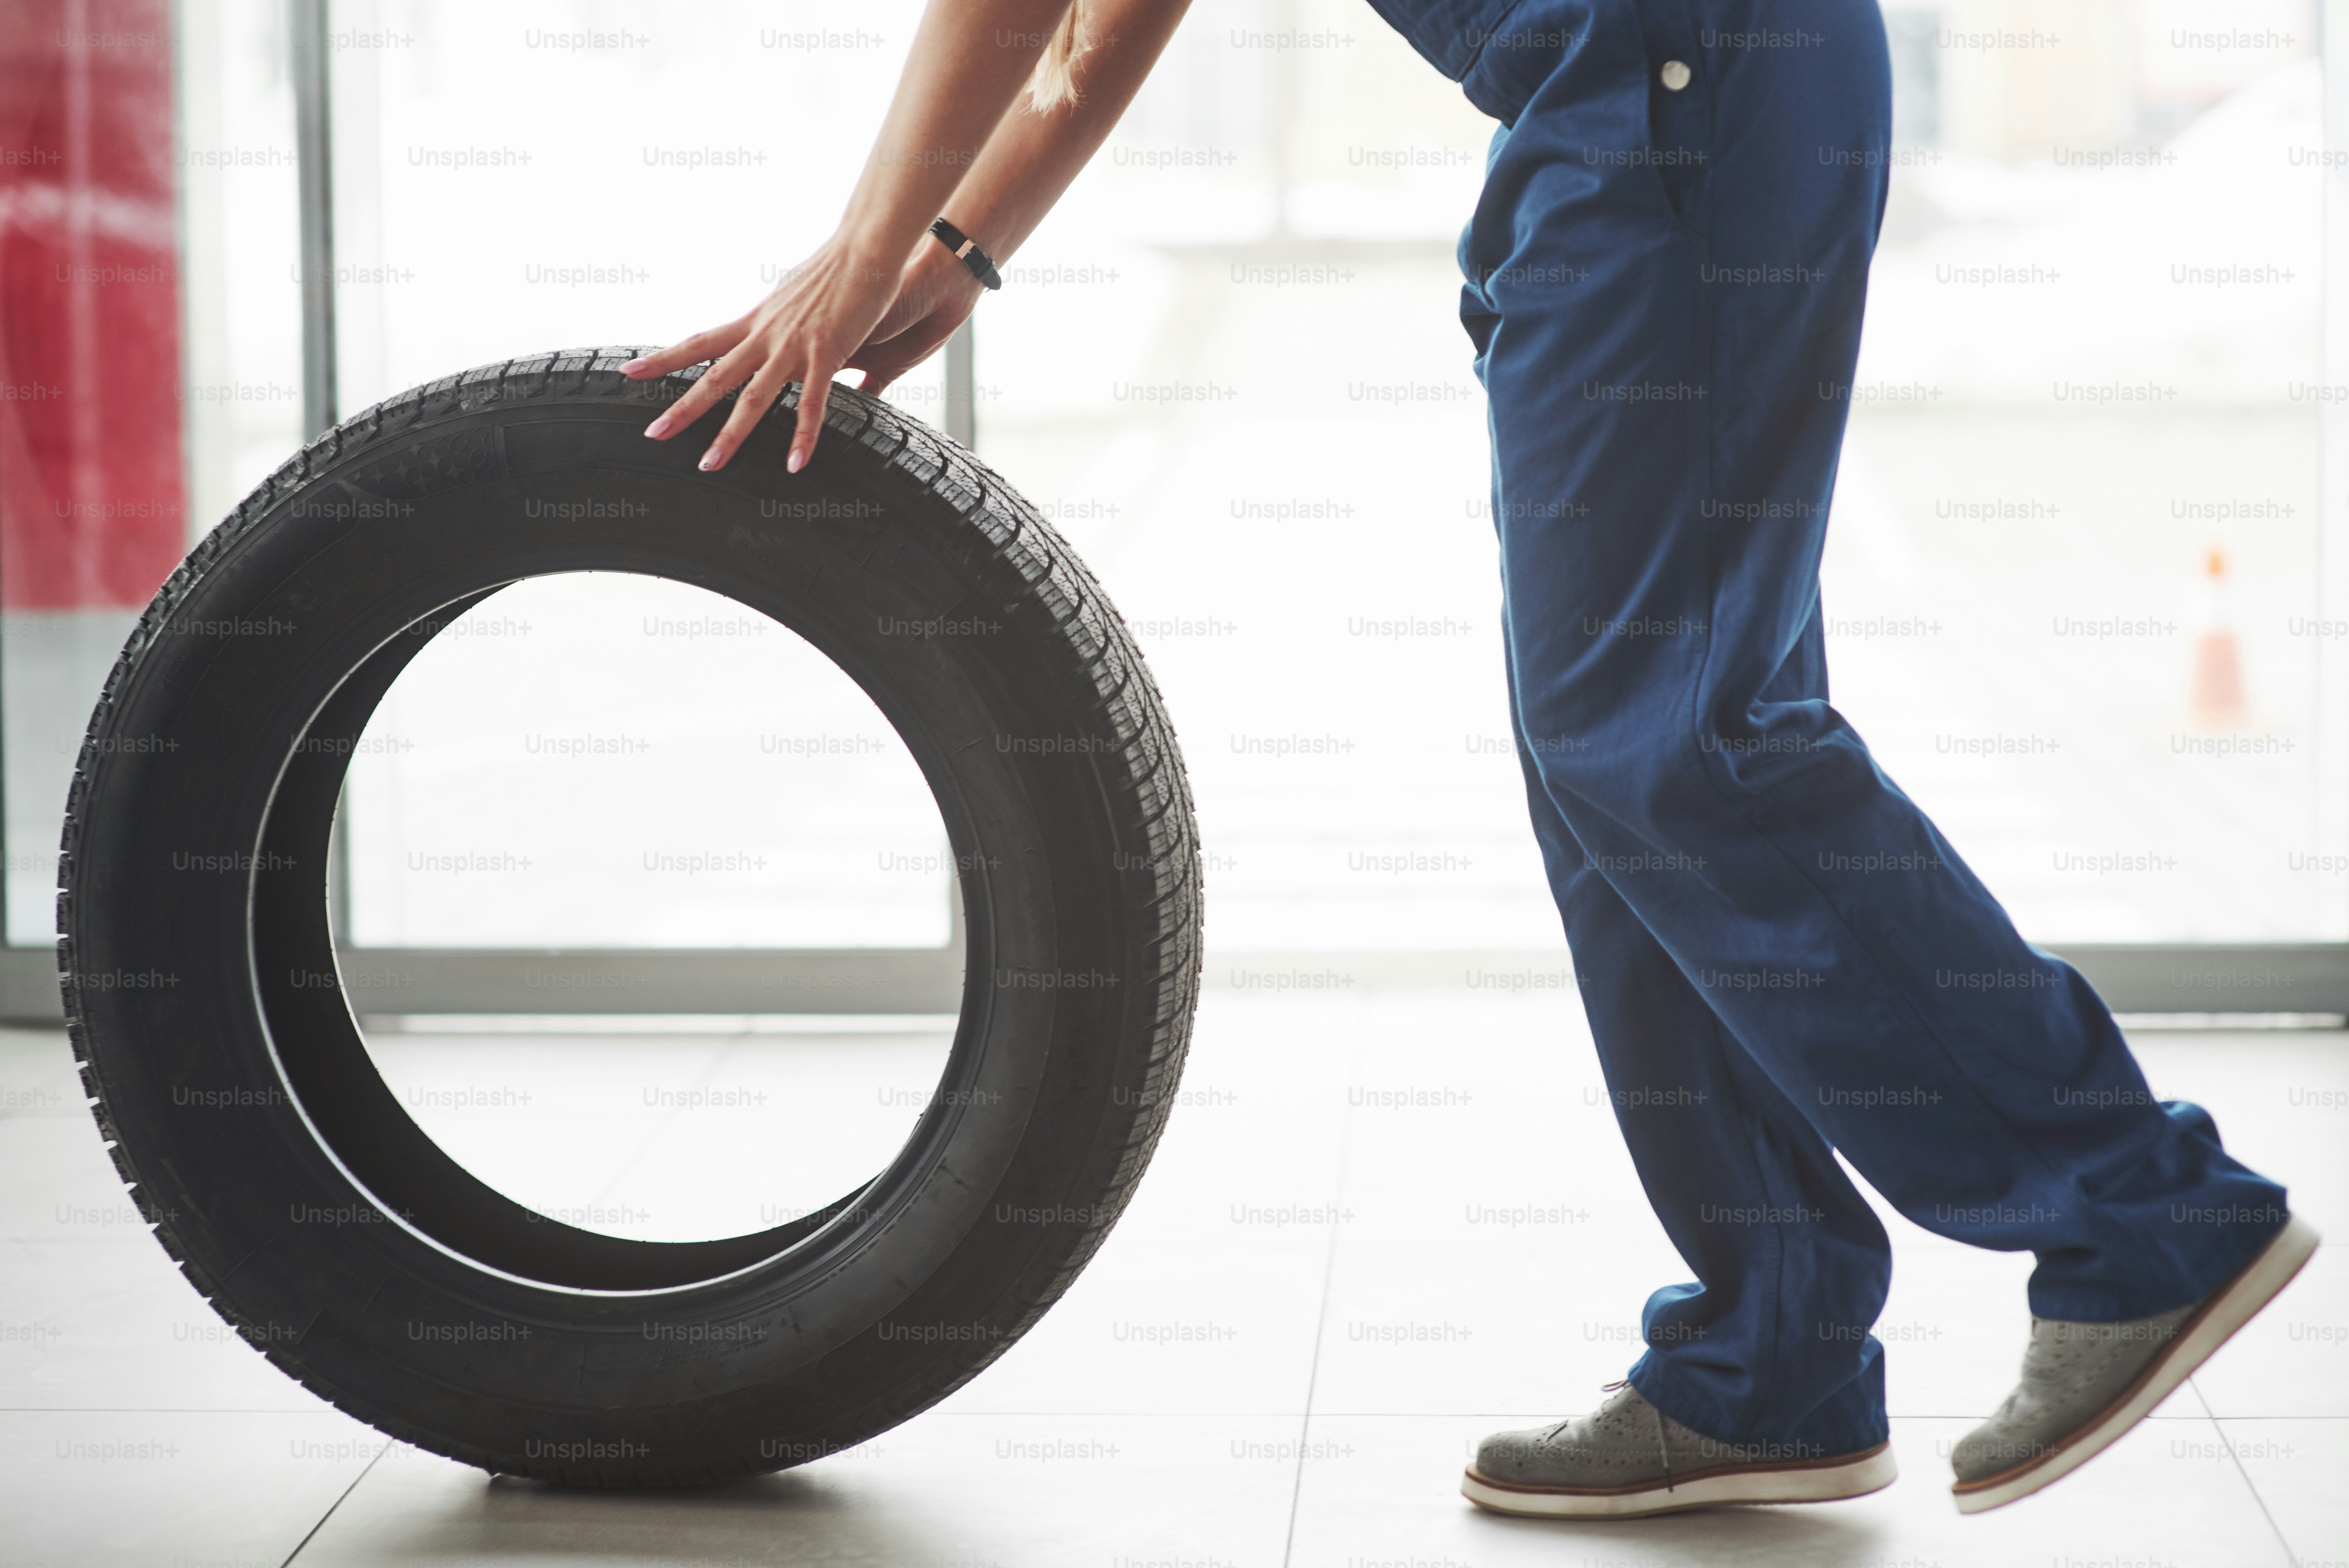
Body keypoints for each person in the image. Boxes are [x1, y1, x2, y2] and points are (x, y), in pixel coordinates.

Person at [620, 0, 2317, 1520]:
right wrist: (954, 246)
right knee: (1615, 754)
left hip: (1677, 81)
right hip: (1649, 97)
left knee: (1673, 741)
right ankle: (1773, 1343)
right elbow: (1088, 27)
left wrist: (862, 248)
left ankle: (2134, 1208)